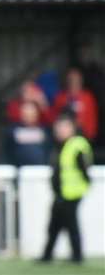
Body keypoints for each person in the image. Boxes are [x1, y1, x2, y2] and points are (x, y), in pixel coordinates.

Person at [39, 112, 92, 263]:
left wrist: (82, 188)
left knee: (70, 225)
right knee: (54, 225)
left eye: (64, 127)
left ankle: (77, 256)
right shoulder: (62, 145)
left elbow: (85, 170)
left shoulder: (77, 145)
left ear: (73, 128)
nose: (60, 130)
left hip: (71, 193)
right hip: (61, 193)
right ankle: (47, 255)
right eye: (59, 127)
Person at [49, 66, 98, 142]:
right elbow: (55, 116)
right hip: (64, 136)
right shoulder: (61, 97)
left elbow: (92, 117)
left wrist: (90, 135)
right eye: (71, 79)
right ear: (67, 81)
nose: (74, 81)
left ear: (81, 80)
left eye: (76, 79)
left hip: (84, 136)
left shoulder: (87, 97)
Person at [3, 99, 50, 167]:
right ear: (21, 113)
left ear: (37, 113)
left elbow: (48, 151)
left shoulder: (44, 131)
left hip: (40, 171)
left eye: (31, 111)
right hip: (18, 171)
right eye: (25, 111)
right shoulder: (12, 131)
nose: (28, 114)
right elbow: (7, 152)